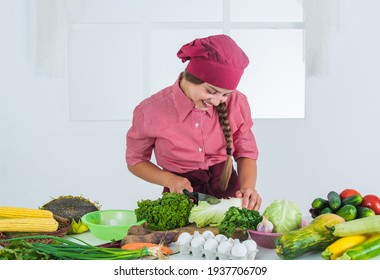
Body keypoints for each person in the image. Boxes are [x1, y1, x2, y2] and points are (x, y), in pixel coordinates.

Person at [126, 34, 261, 210]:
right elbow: (135, 161)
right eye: (211, 91)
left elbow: (246, 152)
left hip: (231, 197)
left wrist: (248, 187)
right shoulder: (150, 111)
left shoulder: (237, 103)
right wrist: (168, 179)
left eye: (225, 94)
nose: (217, 101)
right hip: (181, 199)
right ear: (191, 77)